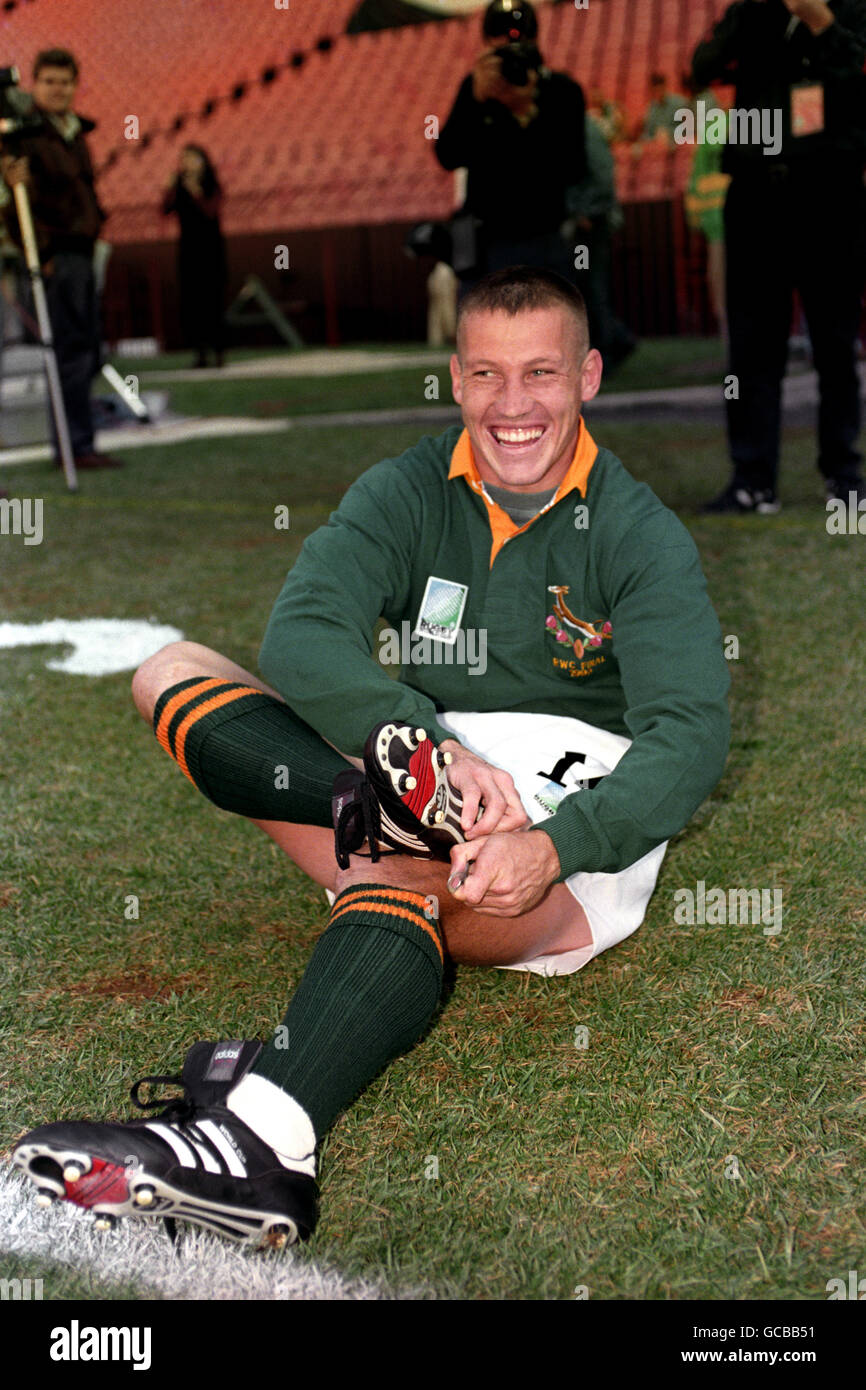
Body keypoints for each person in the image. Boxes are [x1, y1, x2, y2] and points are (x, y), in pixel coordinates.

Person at [13, 267, 730, 1248]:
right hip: (416, 772)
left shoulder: (637, 533)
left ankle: (263, 1136)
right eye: (486, 374)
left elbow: (688, 736)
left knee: (420, 867)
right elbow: (305, 632)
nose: (511, 404)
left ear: (588, 375)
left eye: (539, 374)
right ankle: (382, 806)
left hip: (558, 829)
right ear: (456, 376)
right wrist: (413, 741)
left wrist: (557, 846)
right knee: (168, 671)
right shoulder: (407, 488)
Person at [692, 0, 866, 513]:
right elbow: (702, 68)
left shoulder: (853, 10)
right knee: (751, 348)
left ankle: (845, 475)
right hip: (757, 196)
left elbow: (856, 71)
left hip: (830, 196)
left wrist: (821, 23)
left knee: (834, 343)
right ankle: (752, 479)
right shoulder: (753, 11)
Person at [0, 48, 120, 470]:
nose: (58, 89)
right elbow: (17, 202)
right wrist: (41, 255)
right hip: (57, 255)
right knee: (69, 352)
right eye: (50, 81)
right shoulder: (25, 134)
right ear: (35, 83)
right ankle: (73, 445)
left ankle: (80, 439)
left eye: (65, 82)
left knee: (90, 350)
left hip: (84, 252)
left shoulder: (74, 132)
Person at [434, 0, 586, 288]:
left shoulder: (562, 92)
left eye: (517, 34)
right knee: (480, 329)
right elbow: (447, 155)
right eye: (498, 35)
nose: (508, 42)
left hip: (541, 237)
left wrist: (525, 111)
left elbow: (573, 167)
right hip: (483, 241)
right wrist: (477, 101)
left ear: (534, 39)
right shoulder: (475, 89)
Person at [161, 145, 227, 369]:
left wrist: (195, 190)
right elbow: (165, 210)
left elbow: (211, 210)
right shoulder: (179, 184)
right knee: (192, 302)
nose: (186, 164)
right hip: (189, 251)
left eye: (191, 159)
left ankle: (219, 350)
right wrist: (170, 188)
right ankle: (199, 352)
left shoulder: (210, 184)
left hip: (211, 250)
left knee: (213, 300)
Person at [635, 73, 689, 146]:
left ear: (665, 87)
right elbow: (648, 133)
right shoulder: (651, 108)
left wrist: (669, 133)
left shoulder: (679, 103)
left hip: (676, 145)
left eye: (660, 89)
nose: (658, 93)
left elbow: (687, 128)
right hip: (657, 147)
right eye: (655, 91)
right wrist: (642, 142)